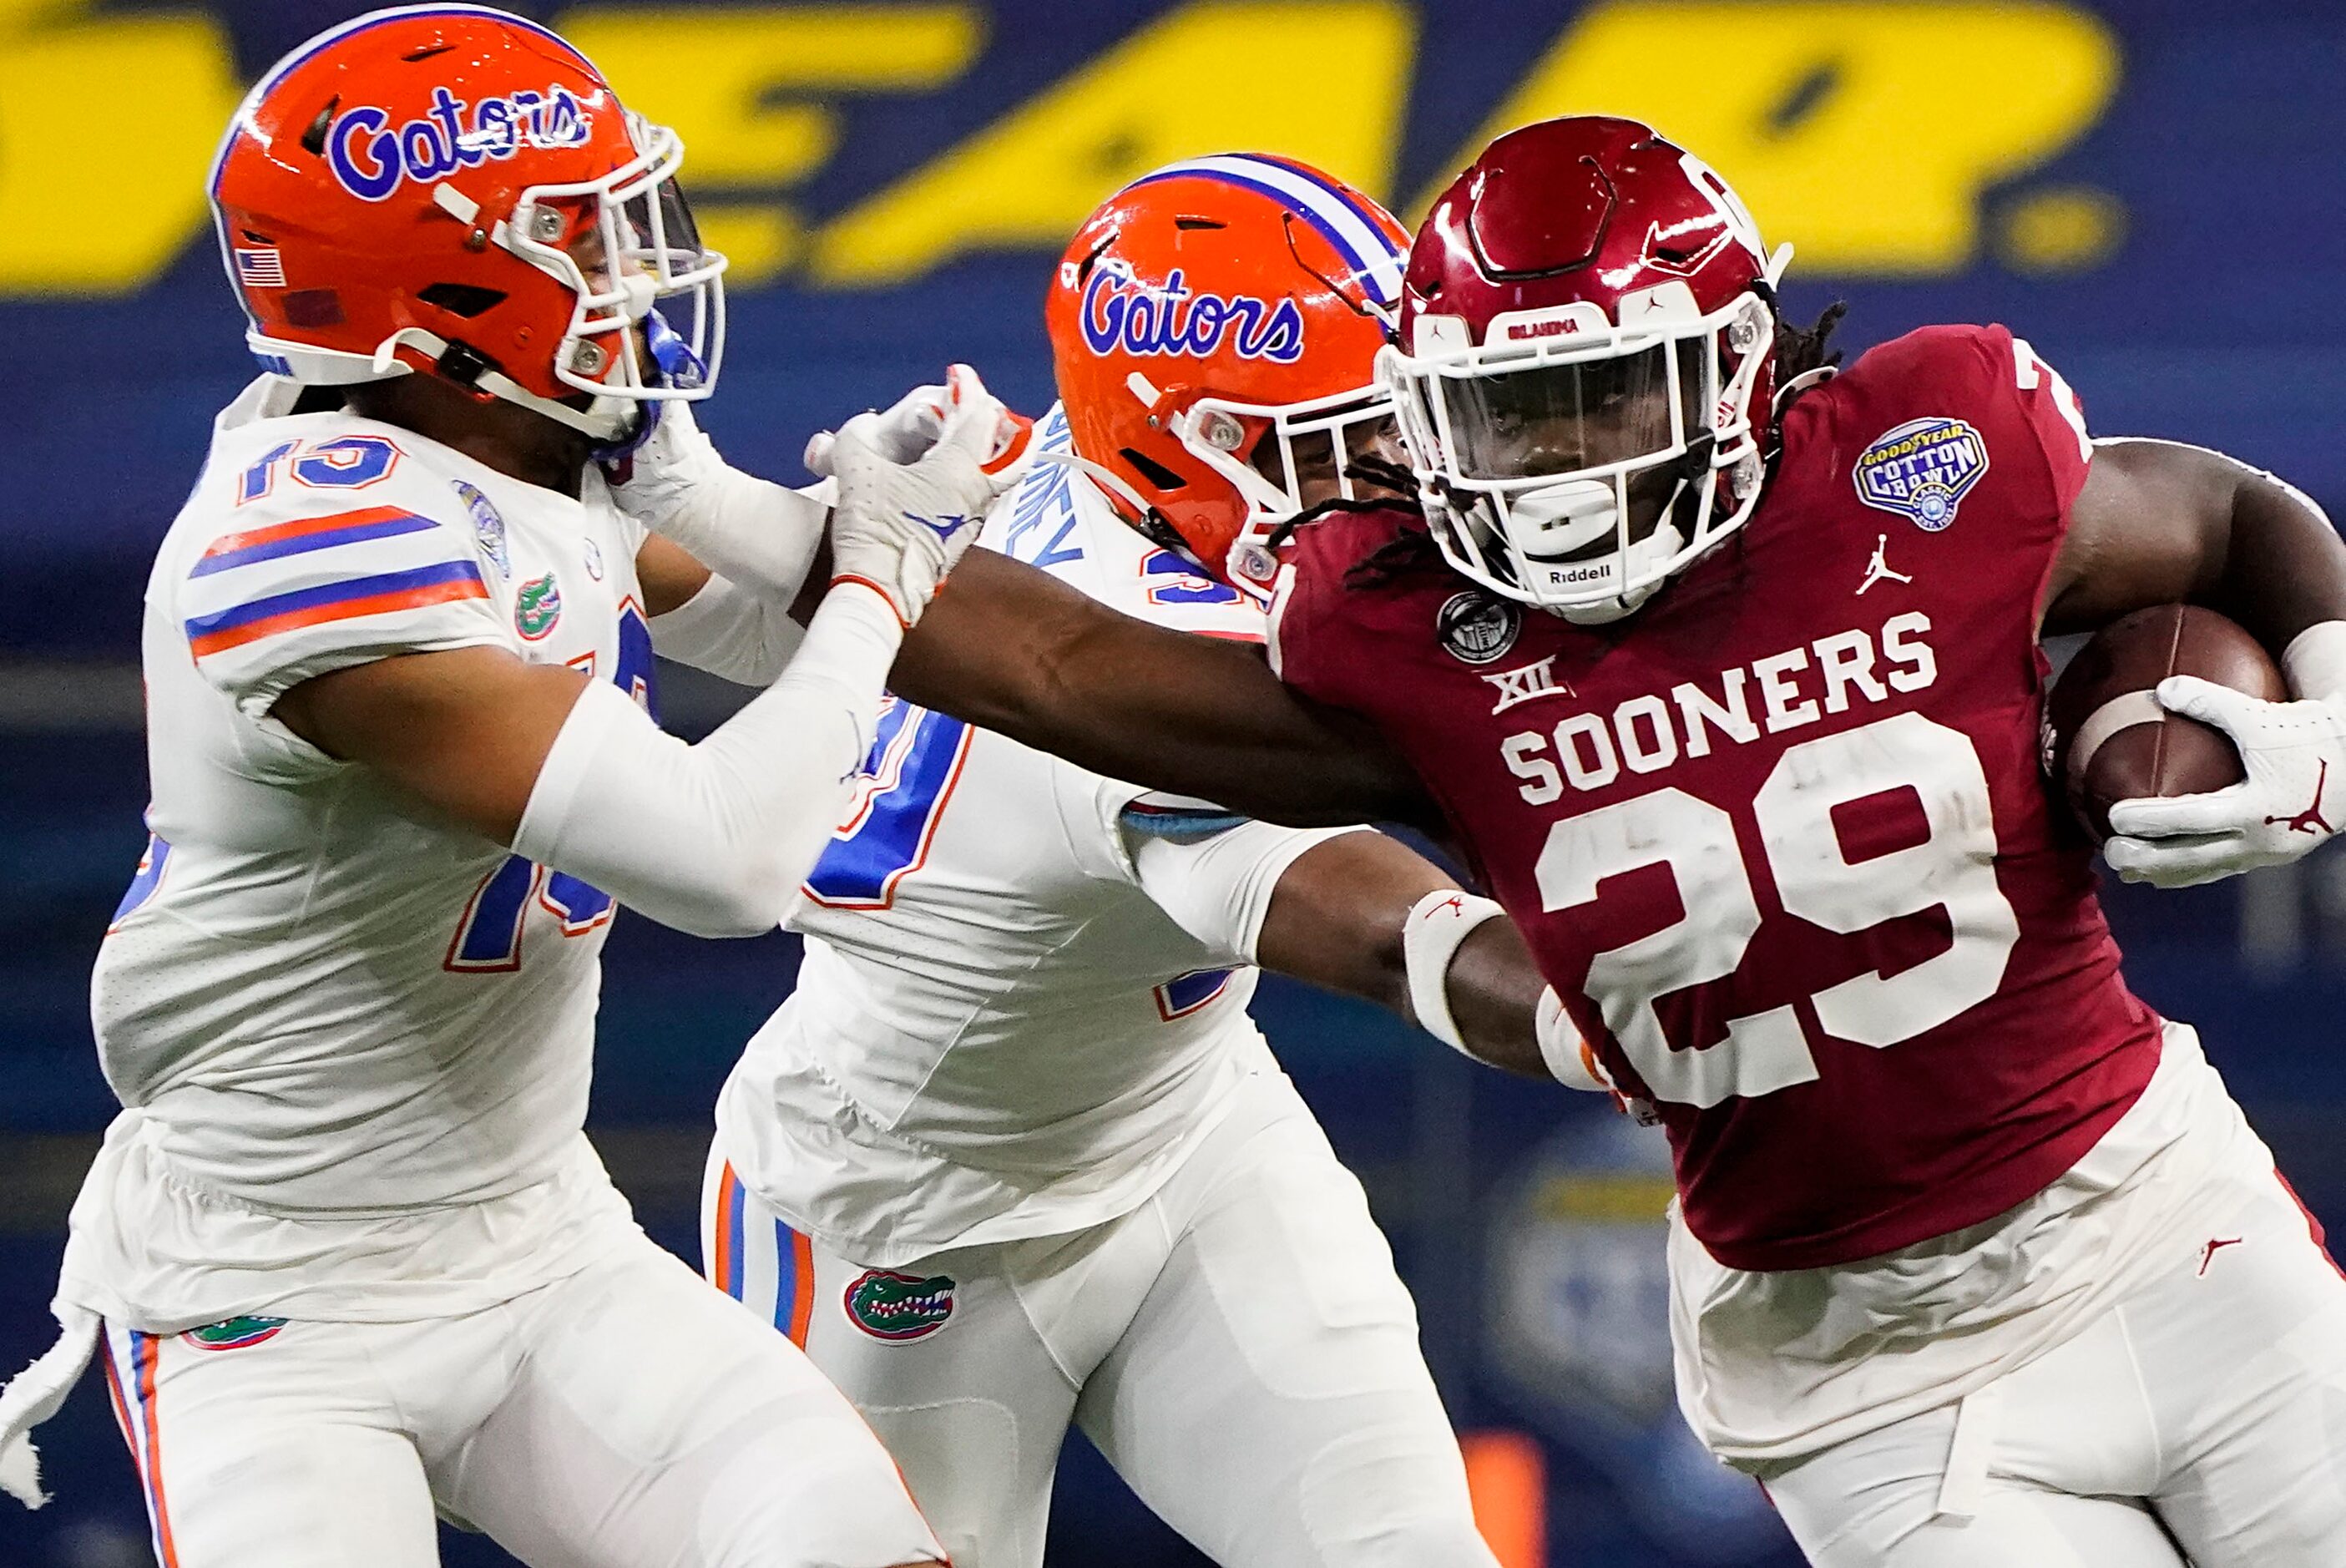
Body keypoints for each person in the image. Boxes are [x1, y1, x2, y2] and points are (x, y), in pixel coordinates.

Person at [863, 116, 2346, 1566]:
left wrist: (2333, 698)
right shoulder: (1397, 632)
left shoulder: (1916, 470)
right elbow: (1072, 681)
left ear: (1733, 366)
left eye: (1611, 394)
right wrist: (746, 526)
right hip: (1860, 1366)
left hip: (2158, 1220)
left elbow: (2223, 512)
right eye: (1512, 411)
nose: (1560, 461)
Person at [0, 8, 1021, 1565]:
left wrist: (803, 520)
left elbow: (769, 631)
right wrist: (880, 575)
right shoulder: (306, 545)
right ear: (437, 295)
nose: (633, 270)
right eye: (583, 237)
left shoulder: (517, 445)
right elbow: (726, 859)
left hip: (544, 1242)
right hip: (279, 1305)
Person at [621, 157, 1533, 1568]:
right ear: (1193, 448)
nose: (1403, 480)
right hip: (898, 1225)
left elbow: (768, 595)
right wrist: (1619, 1009)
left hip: (1188, 1134)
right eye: (1350, 444)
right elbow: (1377, 926)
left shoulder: (1069, 466)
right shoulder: (1127, 673)